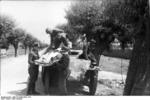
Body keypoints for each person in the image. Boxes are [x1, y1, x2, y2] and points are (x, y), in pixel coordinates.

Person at [42, 28, 70, 95]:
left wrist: (64, 46)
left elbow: (65, 45)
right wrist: (50, 48)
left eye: (49, 32)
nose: (49, 33)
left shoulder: (57, 32)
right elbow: (52, 43)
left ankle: (63, 93)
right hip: (57, 49)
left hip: (61, 48)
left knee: (62, 83)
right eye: (48, 33)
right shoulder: (52, 35)